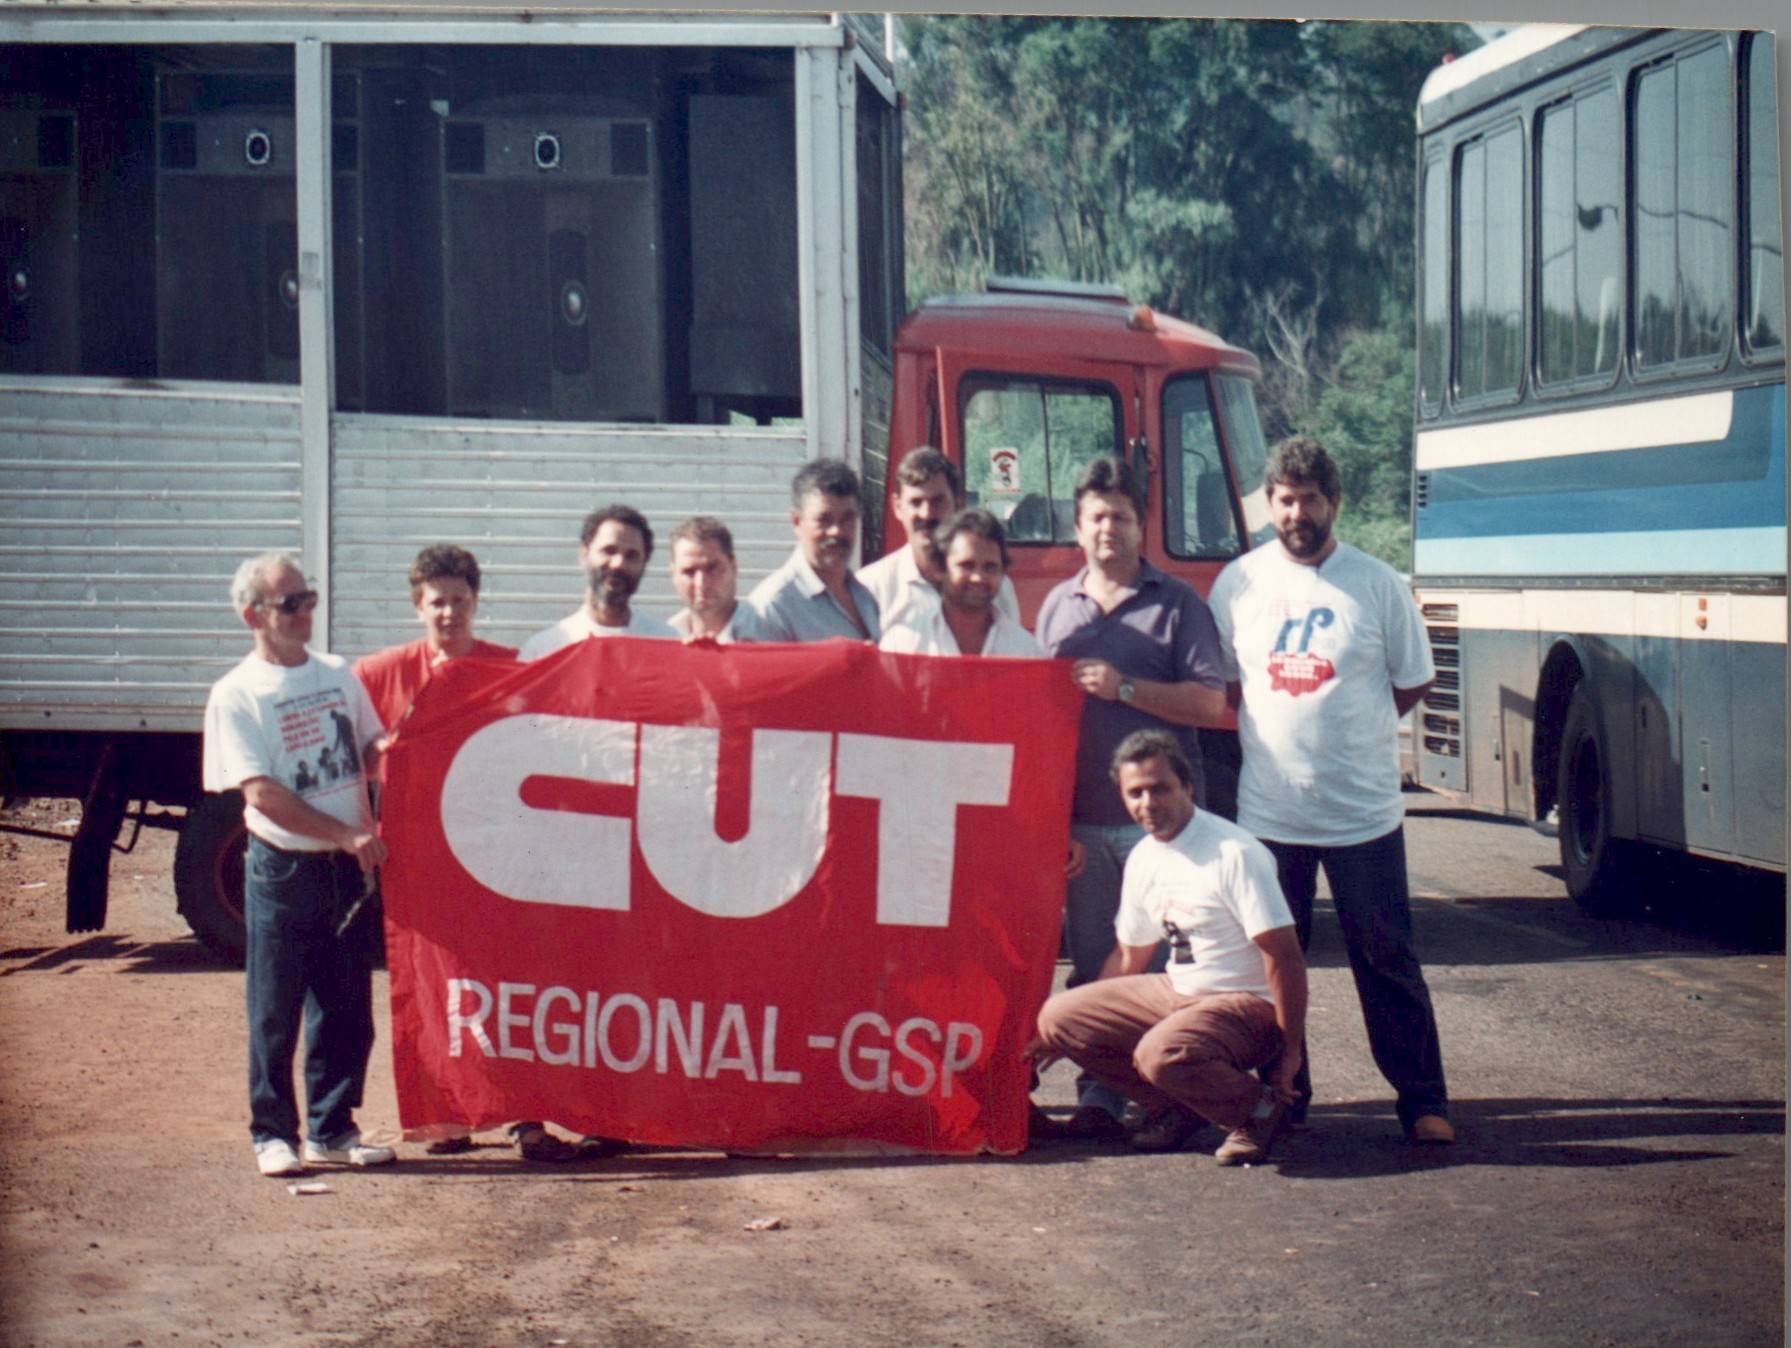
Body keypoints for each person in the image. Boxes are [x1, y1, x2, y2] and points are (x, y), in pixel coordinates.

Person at [1206, 435, 1453, 1144]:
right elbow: (1229, 686)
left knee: (1386, 959)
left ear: (1332, 502)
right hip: (1269, 814)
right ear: (1268, 505)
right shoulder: (1239, 583)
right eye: (1284, 499)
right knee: (1269, 967)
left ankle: (1422, 1100)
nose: (1296, 512)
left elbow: (1412, 680)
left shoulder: (1376, 584)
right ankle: (1283, 1097)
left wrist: (1349, 735)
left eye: (1309, 498)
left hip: (1362, 815)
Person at [1033, 456, 1228, 1138]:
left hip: (1161, 831)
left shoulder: (1177, 605)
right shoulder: (1058, 607)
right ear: (1077, 528)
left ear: (1139, 527)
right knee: (1095, 970)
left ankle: (1174, 1097)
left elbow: (1210, 701)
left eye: (1120, 516)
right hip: (1085, 824)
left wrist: (1124, 688)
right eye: (1095, 517)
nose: (1108, 528)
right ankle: (1101, 1099)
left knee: (1171, 971)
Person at [202, 552, 396, 1177]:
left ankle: (333, 1130)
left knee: (345, 1008)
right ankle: (272, 1134)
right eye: (291, 603)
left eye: (307, 597)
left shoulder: (339, 675)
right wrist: (344, 833)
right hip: (285, 869)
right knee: (274, 1007)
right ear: (251, 614)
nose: (306, 611)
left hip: (346, 870)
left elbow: (370, 748)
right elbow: (260, 793)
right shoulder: (237, 694)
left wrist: (413, 746)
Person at [1035, 730, 1307, 1165]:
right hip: (1180, 993)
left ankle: (1257, 1110)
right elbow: (1129, 956)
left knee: (1159, 1052)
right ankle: (1180, 1108)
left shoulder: (1234, 853)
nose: (1147, 803)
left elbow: (1284, 955)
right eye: (1135, 792)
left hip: (1244, 1004)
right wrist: (1061, 1035)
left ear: (1188, 788)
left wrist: (1290, 1049)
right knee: (1058, 1016)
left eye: (1159, 788)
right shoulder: (1147, 856)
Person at [354, 544, 517, 734]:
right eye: (438, 603)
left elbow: (537, 729)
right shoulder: (379, 674)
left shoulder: (510, 669)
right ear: (419, 608)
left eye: (459, 601)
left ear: (475, 602)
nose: (450, 613)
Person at [859, 446, 1020, 630]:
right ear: (897, 507)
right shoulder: (871, 589)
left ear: (958, 504)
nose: (927, 514)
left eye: (937, 501)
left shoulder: (996, 588)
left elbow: (1011, 653)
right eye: (916, 502)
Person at [746, 459, 881, 643]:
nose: (837, 531)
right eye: (824, 520)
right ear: (796, 522)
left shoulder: (864, 596)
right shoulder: (773, 607)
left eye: (847, 519)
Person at [520, 504, 675, 660]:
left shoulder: (667, 644)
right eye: (609, 550)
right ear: (584, 554)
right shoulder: (546, 649)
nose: (618, 563)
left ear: (644, 564)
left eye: (631, 555)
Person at [879, 508, 1040, 658]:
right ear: (940, 568)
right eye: (966, 565)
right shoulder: (903, 646)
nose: (978, 577)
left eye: (990, 567)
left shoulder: (1026, 651)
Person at [667, 516, 765, 643]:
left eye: (712, 569)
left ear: (733, 567)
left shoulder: (770, 634)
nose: (701, 583)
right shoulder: (665, 638)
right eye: (689, 572)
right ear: (673, 573)